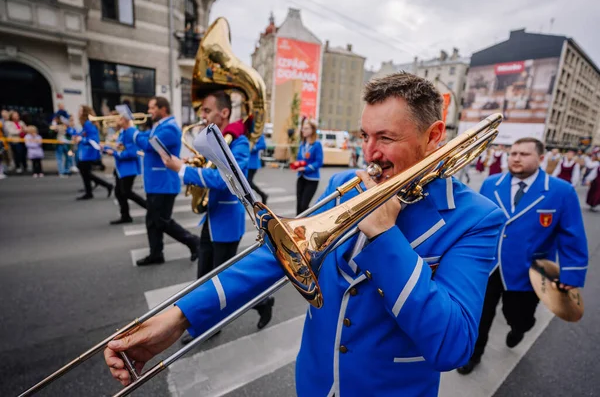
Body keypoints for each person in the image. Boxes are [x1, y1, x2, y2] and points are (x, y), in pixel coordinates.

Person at [104, 73, 506, 396]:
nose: (369, 154)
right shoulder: (351, 181)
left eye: (385, 138)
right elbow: (278, 254)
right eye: (364, 136)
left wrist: (385, 236)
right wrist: (179, 317)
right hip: (315, 382)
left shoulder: (477, 218)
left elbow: (452, 344)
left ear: (433, 137)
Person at [458, 137, 588, 375]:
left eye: (523, 154)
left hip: (528, 271)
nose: (516, 158)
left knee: (519, 316)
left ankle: (519, 328)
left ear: (540, 158)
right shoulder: (491, 183)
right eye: (513, 153)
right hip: (488, 266)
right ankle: (473, 355)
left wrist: (572, 273)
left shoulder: (561, 191)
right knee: (480, 316)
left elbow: (572, 236)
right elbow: (476, 222)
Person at [161, 91, 274, 340]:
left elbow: (225, 180)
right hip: (211, 219)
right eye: (201, 111)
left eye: (206, 110)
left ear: (223, 112)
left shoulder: (240, 144)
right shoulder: (216, 139)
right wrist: (191, 163)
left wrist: (183, 170)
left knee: (224, 283)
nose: (202, 115)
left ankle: (261, 302)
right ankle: (208, 323)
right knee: (204, 279)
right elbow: (209, 169)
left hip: (227, 223)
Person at [132, 96, 200, 266]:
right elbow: (146, 138)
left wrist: (130, 130)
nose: (149, 111)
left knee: (161, 221)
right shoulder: (159, 126)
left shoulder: (169, 129)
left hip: (164, 183)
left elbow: (148, 145)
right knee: (152, 221)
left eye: (152, 108)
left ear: (163, 109)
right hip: (156, 182)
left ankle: (192, 241)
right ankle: (156, 253)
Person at [104, 110, 146, 225]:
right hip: (120, 168)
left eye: (121, 118)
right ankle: (125, 215)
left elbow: (132, 153)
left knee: (127, 192)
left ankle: (150, 208)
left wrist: (115, 153)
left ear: (127, 120)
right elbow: (121, 147)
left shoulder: (131, 132)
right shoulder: (123, 132)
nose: (118, 120)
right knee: (119, 192)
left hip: (128, 168)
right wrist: (109, 149)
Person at [73, 106, 113, 200]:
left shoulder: (88, 123)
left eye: (80, 111)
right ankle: (93, 190)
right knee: (85, 173)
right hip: (86, 152)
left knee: (85, 172)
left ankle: (95, 189)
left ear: (85, 112)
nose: (78, 113)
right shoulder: (86, 124)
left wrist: (81, 139)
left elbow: (93, 139)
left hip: (87, 153)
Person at [293, 118, 323, 215]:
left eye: (306, 128)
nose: (303, 130)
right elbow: (299, 158)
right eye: (303, 128)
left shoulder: (317, 144)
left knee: (304, 205)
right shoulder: (302, 143)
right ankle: (295, 227)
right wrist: (297, 164)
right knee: (298, 205)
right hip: (301, 177)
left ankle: (312, 220)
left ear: (312, 130)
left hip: (312, 179)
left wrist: (305, 168)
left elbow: (319, 162)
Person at [247, 133, 269, 204]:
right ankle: (260, 195)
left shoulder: (258, 133)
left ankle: (262, 194)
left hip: (253, 163)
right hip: (246, 162)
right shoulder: (247, 132)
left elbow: (263, 145)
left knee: (248, 182)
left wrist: (253, 147)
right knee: (246, 182)